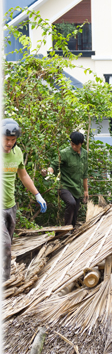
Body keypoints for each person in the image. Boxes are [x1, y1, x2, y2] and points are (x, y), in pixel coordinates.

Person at [2, 118, 47, 281]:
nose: (9, 143)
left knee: (7, 245)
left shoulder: (18, 152)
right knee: (5, 246)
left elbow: (23, 175)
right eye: (6, 139)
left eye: (13, 140)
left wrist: (37, 194)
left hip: (10, 206)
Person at [42, 131, 88, 228]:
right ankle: (66, 229)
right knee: (71, 203)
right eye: (72, 144)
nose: (74, 147)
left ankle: (70, 234)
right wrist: (48, 172)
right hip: (65, 186)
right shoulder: (64, 153)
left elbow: (85, 174)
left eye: (76, 145)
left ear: (81, 144)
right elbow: (53, 166)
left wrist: (86, 190)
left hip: (77, 189)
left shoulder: (84, 154)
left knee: (75, 215)